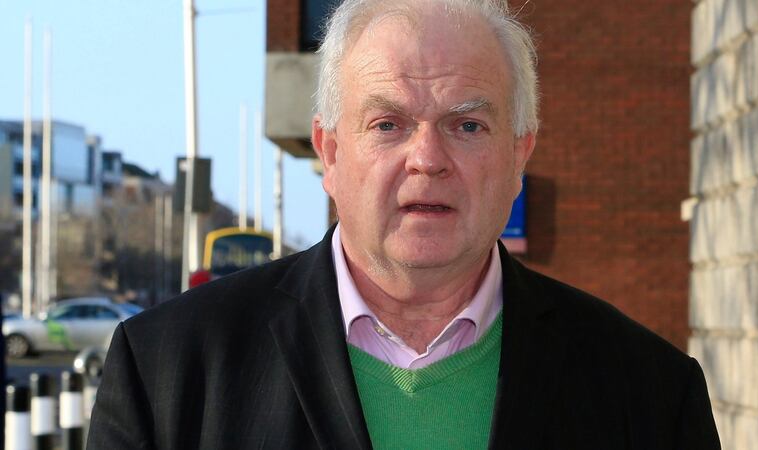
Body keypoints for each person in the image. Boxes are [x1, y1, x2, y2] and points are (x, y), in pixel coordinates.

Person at [87, 0, 721, 448]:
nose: (427, 158)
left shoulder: (652, 393)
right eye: (387, 124)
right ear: (330, 153)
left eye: (467, 125)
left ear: (519, 154)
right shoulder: (168, 371)